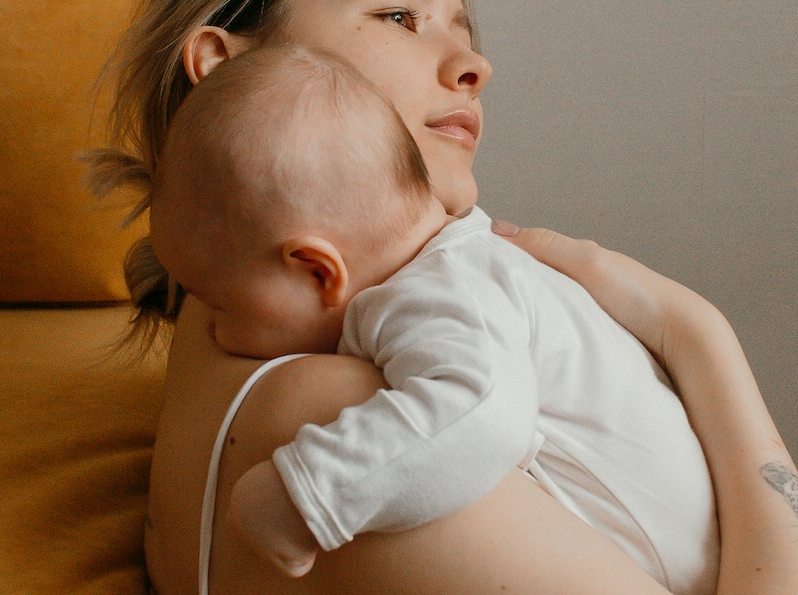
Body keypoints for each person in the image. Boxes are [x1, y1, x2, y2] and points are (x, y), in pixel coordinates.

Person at [87, 0, 798, 595]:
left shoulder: (298, 356)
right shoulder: (357, 431)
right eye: (397, 15)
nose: (475, 65)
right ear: (224, 64)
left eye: (465, 31)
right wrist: (700, 339)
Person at [144, 44, 760, 594]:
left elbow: (479, 414)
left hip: (704, 571)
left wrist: (309, 492)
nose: (215, 329)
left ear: (317, 270)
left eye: (222, 307)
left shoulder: (438, 292)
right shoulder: (451, 266)